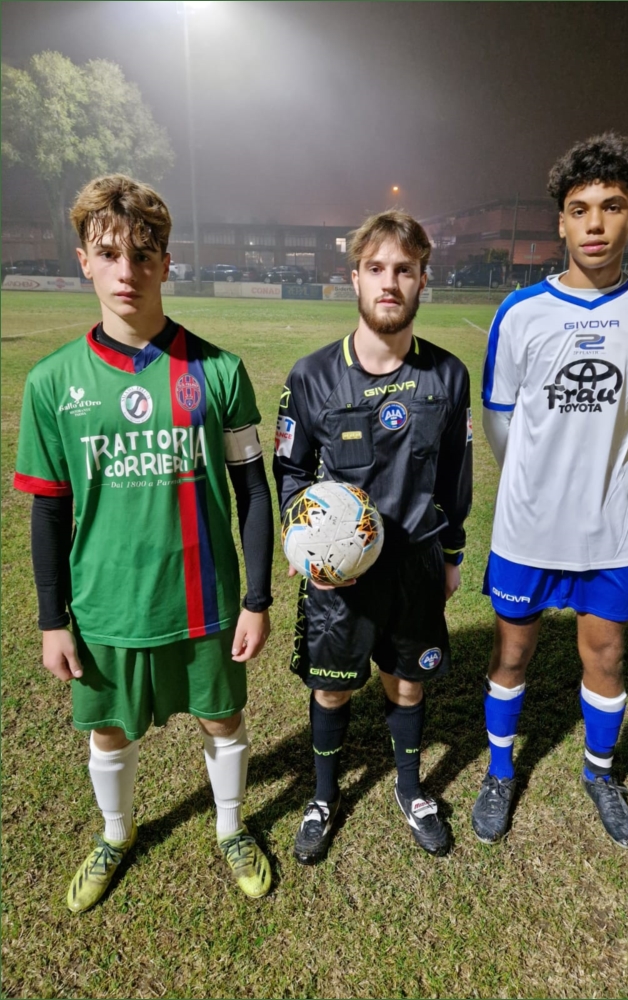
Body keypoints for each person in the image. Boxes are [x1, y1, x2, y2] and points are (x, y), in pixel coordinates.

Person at [14, 174, 275, 910]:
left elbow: (254, 492)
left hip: (204, 600)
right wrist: (52, 619)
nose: (126, 270)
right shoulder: (51, 383)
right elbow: (48, 512)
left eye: (142, 253)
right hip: (105, 605)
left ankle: (230, 826)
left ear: (166, 261)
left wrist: (256, 599)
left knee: (222, 718)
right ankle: (116, 833)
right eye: (108, 253)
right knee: (109, 732)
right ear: (84, 262)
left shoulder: (217, 370)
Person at [475, 133, 628, 850]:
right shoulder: (520, 313)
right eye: (579, 209)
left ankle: (600, 773)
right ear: (561, 222)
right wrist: (535, 483)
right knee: (511, 657)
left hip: (608, 530)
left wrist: (615, 468)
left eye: (612, 206)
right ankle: (500, 772)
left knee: (607, 659)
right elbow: (500, 418)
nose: (595, 223)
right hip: (527, 528)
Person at [273, 210, 472, 863]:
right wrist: (304, 542)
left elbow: (455, 473)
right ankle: (323, 795)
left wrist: (451, 554)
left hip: (416, 565)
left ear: (422, 280)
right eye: (376, 268)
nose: (390, 282)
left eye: (404, 270)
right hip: (341, 576)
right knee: (331, 687)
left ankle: (410, 790)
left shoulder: (447, 375)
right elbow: (292, 471)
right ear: (354, 277)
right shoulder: (312, 376)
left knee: (406, 683)